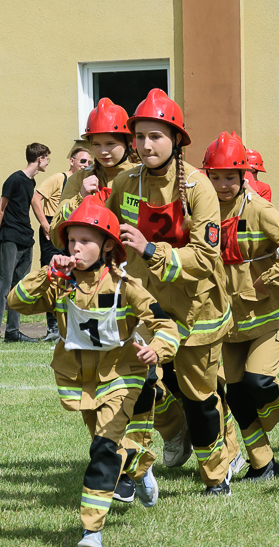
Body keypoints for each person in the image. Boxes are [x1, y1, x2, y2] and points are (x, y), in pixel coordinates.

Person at [7, 196, 179, 547]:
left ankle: (91, 533)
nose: (75, 247)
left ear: (107, 246)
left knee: (101, 450)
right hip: (81, 381)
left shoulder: (124, 284)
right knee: (110, 448)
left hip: (123, 376)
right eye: (71, 240)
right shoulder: (59, 282)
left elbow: (166, 325)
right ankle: (139, 464)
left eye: (85, 240)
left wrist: (157, 349)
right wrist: (47, 273)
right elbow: (17, 302)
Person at [101, 88, 235, 496]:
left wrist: (150, 250)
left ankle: (217, 475)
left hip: (198, 310)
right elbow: (106, 232)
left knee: (199, 398)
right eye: (139, 136)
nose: (145, 145)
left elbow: (205, 258)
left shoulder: (198, 187)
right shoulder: (126, 181)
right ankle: (137, 468)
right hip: (148, 309)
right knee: (134, 386)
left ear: (176, 139)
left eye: (155, 136)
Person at [203, 132, 279, 480]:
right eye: (216, 177)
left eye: (230, 177)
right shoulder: (202, 210)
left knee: (259, 380)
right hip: (231, 322)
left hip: (270, 315)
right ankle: (263, 464)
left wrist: (270, 278)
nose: (223, 185)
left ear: (243, 176)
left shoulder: (260, 210)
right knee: (236, 395)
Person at [0, 142, 50, 344]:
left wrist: (44, 226)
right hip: (11, 237)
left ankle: (12, 332)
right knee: (4, 285)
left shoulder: (31, 182)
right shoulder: (14, 179)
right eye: (47, 158)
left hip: (26, 238)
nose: (48, 162)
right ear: (39, 158)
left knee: (19, 286)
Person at [50, 98, 139, 240]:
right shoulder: (79, 178)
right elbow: (56, 237)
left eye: (110, 143)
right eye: (96, 144)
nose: (103, 151)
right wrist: (80, 198)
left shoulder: (141, 177)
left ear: (128, 142)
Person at [31, 145, 91, 341]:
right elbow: (35, 198)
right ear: (72, 161)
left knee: (72, 275)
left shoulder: (89, 182)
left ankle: (71, 323)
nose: (86, 165)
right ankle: (53, 327)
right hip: (53, 229)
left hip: (73, 231)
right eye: (83, 161)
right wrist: (45, 224)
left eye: (90, 162)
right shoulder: (59, 178)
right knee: (53, 275)